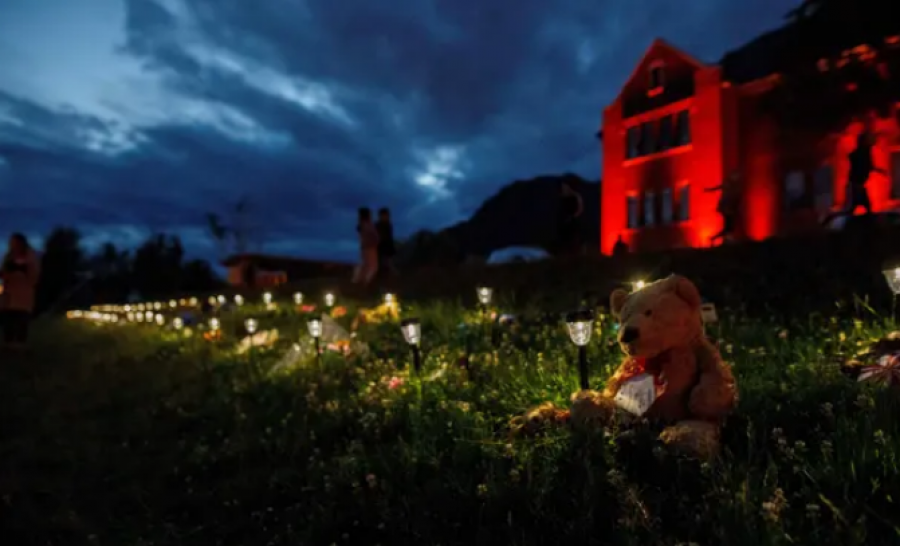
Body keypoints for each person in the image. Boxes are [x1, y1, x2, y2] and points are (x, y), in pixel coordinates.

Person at [822, 130, 885, 226]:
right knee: (854, 209)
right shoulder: (861, 153)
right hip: (855, 186)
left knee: (856, 209)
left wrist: (878, 170)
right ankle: (832, 222)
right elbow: (863, 164)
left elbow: (867, 165)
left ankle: (834, 222)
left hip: (857, 185)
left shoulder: (865, 152)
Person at [0, 233, 41, 350]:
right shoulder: (9, 256)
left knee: (21, 320)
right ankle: (8, 344)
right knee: (8, 320)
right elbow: (4, 273)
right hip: (9, 295)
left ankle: (19, 346)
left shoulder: (30, 256)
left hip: (23, 295)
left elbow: (34, 275)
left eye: (14, 242)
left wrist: (21, 271)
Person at [705, 171, 742, 245]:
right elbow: (718, 188)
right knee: (729, 226)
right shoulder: (728, 185)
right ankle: (725, 239)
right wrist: (709, 190)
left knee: (729, 226)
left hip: (729, 208)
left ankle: (716, 238)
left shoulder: (734, 187)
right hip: (727, 208)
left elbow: (735, 198)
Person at [352, 207, 379, 286]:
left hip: (364, 247)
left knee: (365, 266)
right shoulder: (368, 225)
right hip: (369, 247)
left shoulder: (362, 225)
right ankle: (364, 282)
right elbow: (375, 236)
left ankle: (359, 282)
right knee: (373, 267)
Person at [557, 182, 584, 256]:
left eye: (565, 187)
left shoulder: (575, 196)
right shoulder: (562, 197)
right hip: (564, 221)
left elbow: (580, 208)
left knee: (573, 238)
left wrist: (573, 217)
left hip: (573, 221)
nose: (564, 189)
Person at [375, 207, 397, 278]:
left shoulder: (389, 225)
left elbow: (389, 237)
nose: (386, 217)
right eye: (384, 215)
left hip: (387, 246)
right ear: (380, 216)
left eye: (387, 215)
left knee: (388, 261)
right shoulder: (377, 225)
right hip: (379, 247)